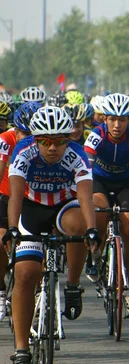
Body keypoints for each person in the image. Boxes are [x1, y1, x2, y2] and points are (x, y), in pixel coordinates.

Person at [3, 106, 100, 364]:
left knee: (78, 227)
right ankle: (22, 347)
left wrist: (92, 230)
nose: (53, 147)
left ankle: (72, 285)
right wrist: (13, 227)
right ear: (35, 140)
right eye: (45, 141)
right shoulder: (23, 152)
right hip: (31, 208)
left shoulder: (78, 156)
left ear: (68, 139)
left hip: (64, 205)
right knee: (25, 273)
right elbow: (15, 195)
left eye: (59, 141)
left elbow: (85, 196)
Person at [84, 93, 129, 318]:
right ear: (105, 119)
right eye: (113, 119)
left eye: (122, 120)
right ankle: (96, 254)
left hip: (125, 184)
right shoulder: (97, 135)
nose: (117, 125)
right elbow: (86, 168)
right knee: (98, 213)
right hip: (99, 181)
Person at [0, 101, 41, 323]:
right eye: (24, 133)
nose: (30, 140)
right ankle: (0, 290)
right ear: (15, 131)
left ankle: (43, 292)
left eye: (34, 134)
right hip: (7, 196)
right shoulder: (5, 141)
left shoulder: (46, 143)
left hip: (33, 199)